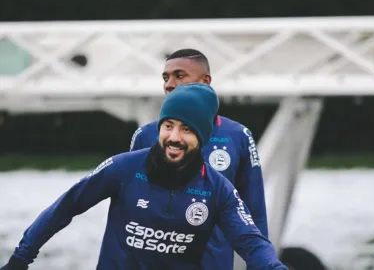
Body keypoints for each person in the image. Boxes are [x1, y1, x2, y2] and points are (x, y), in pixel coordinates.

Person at [0, 83, 287, 270]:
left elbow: (252, 242)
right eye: (169, 126)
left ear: (204, 138)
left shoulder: (217, 189)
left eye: (186, 130)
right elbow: (66, 206)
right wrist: (21, 258)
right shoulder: (123, 168)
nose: (174, 137)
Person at [130, 49, 268, 269]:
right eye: (166, 78)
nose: (169, 84)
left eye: (179, 75)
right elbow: (130, 209)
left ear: (206, 81)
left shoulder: (238, 136)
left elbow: (255, 213)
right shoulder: (146, 136)